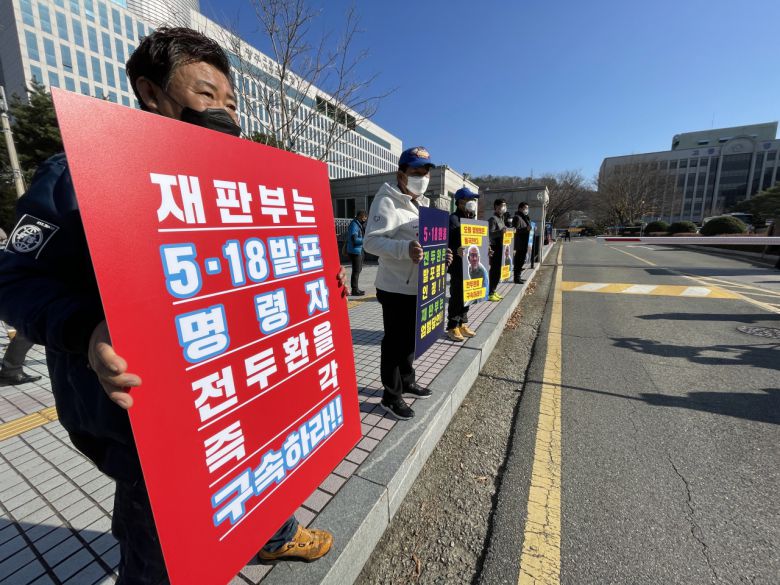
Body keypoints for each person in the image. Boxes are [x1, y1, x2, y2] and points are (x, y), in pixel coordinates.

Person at [0, 28, 346, 582]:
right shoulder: (80, 173)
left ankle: (275, 534)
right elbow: (13, 276)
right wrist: (86, 330)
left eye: (231, 103)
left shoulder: (249, 185)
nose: (224, 113)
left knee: (265, 456)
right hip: (145, 408)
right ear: (150, 93)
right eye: (205, 96)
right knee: (159, 537)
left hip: (239, 382)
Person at [363, 146, 451, 420]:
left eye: (425, 172)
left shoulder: (421, 204)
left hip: (419, 286)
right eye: (416, 172)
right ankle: (391, 396)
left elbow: (427, 243)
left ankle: (407, 380)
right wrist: (405, 249)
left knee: (411, 339)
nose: (422, 176)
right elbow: (371, 242)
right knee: (395, 342)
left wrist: (440, 255)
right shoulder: (387, 200)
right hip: (395, 287)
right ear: (401, 174)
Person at [445, 187, 479, 342]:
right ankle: (452, 326)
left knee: (468, 295)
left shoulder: (472, 219)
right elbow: (446, 243)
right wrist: (454, 250)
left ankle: (462, 323)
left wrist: (486, 250)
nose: (471, 203)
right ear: (459, 202)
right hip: (458, 266)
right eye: (468, 199)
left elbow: (477, 242)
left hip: (470, 265)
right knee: (457, 296)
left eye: (473, 200)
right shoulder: (453, 219)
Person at [487, 199, 507, 301]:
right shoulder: (493, 219)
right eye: (500, 206)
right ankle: (490, 293)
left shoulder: (502, 219)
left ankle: (493, 290)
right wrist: (500, 232)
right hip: (495, 248)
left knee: (498, 271)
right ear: (495, 207)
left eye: (504, 206)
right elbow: (490, 234)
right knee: (494, 271)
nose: (502, 208)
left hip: (501, 247)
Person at [347, 210, 368, 296]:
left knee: (358, 270)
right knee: (356, 270)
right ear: (360, 217)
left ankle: (356, 288)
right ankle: (355, 290)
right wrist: (365, 240)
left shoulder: (358, 224)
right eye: (364, 217)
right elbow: (354, 239)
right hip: (355, 251)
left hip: (358, 250)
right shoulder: (354, 225)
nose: (365, 219)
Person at [511, 202, 531, 284]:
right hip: (519, 244)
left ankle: (519, 277)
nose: (526, 210)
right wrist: (526, 229)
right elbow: (514, 231)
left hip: (524, 243)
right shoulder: (517, 217)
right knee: (518, 261)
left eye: (527, 208)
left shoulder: (525, 217)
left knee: (522, 261)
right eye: (525, 208)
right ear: (520, 208)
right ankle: (516, 278)